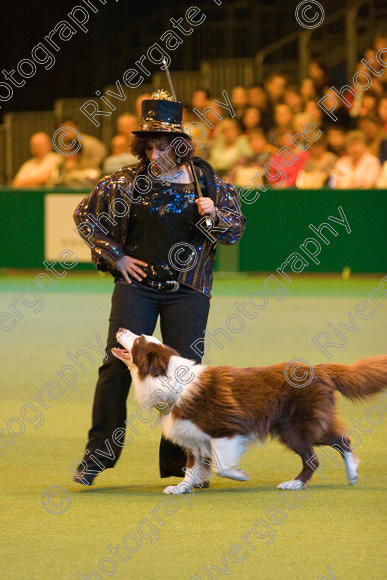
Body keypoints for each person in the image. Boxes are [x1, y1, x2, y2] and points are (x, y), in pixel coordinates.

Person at [72, 90, 246, 486]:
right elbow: (85, 215)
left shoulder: (208, 184)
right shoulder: (124, 183)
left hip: (189, 288)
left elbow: (233, 231)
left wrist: (215, 215)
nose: (155, 155)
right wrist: (116, 255)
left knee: (184, 377)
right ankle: (97, 457)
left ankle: (181, 464)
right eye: (148, 147)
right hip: (138, 287)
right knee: (116, 366)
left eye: (163, 146)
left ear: (181, 146)